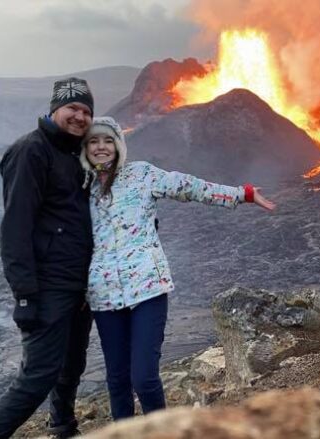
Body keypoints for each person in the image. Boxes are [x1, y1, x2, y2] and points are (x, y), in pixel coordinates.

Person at [80, 116, 275, 420]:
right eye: (93, 141)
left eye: (108, 140)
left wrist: (242, 194)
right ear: (85, 148)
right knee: (117, 381)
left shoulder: (141, 174)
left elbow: (188, 186)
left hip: (148, 288)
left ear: (118, 145)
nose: (101, 147)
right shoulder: (82, 190)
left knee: (143, 378)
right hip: (104, 297)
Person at [0, 78, 96, 439]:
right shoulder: (31, 151)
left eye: (86, 111)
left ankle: (63, 426)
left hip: (80, 283)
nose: (79, 116)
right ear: (54, 108)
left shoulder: (78, 152)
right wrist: (25, 295)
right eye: (72, 108)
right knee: (38, 376)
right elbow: (15, 227)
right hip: (48, 285)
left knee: (71, 365)